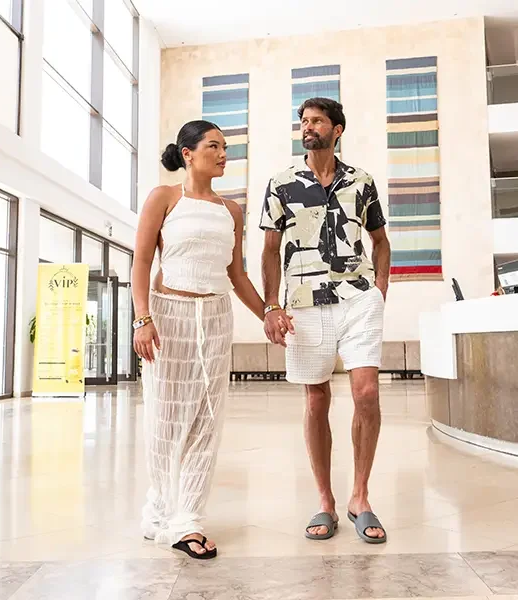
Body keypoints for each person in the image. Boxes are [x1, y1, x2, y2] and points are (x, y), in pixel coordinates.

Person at [132, 120, 266, 559]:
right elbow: (141, 263)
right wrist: (142, 318)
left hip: (216, 315)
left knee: (208, 419)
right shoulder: (165, 198)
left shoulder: (232, 211)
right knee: (167, 418)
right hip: (167, 314)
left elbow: (237, 275)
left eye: (225, 147)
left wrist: (270, 313)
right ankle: (160, 505)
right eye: (214, 146)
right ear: (187, 153)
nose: (224, 153)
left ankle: (188, 518)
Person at [260, 98, 391, 544]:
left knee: (366, 393)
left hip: (357, 299)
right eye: (303, 121)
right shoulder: (281, 184)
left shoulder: (362, 182)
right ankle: (325, 501)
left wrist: (379, 292)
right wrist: (271, 306)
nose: (307, 127)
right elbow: (268, 252)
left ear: (337, 129)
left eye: (316, 121)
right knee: (316, 400)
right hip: (303, 302)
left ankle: (360, 497)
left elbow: (381, 241)